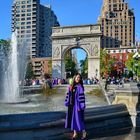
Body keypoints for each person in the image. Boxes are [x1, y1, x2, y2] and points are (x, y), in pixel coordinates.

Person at [64, 73, 87, 140]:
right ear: (74, 78)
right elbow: (68, 95)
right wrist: (67, 102)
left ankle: (84, 132)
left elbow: (82, 98)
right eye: (77, 77)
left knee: (79, 120)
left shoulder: (80, 87)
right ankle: (75, 133)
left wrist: (81, 106)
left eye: (79, 77)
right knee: (72, 120)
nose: (78, 79)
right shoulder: (71, 87)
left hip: (77, 106)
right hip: (71, 106)